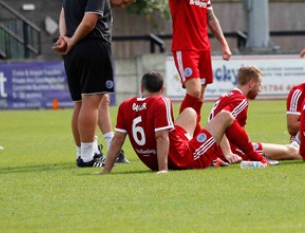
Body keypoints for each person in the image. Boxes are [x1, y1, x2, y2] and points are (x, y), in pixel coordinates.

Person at [54, 0, 138, 167]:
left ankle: (82, 152)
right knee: (92, 103)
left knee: (80, 104)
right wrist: (71, 38)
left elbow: (63, 12)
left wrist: (65, 38)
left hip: (73, 52)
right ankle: (89, 157)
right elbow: (90, 21)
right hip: (93, 48)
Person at [101, 72, 246, 173]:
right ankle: (226, 155)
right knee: (225, 116)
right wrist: (163, 169)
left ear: (142, 88)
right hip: (183, 160)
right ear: (162, 89)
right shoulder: (161, 102)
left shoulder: (125, 105)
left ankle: (194, 143)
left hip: (154, 161)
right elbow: (162, 137)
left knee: (190, 112)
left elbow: (117, 139)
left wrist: (106, 170)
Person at [167, 0, 231, 134]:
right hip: (185, 46)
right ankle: (178, 133)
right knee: (193, 91)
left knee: (201, 96)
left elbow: (210, 17)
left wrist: (224, 44)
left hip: (203, 46)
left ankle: (194, 134)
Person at [209, 65, 301, 163]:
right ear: (252, 83)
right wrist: (228, 153)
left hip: (219, 150)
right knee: (290, 151)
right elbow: (220, 122)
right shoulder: (239, 100)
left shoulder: (227, 96)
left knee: (287, 150)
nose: (260, 89)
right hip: (233, 151)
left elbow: (237, 131)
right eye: (259, 84)